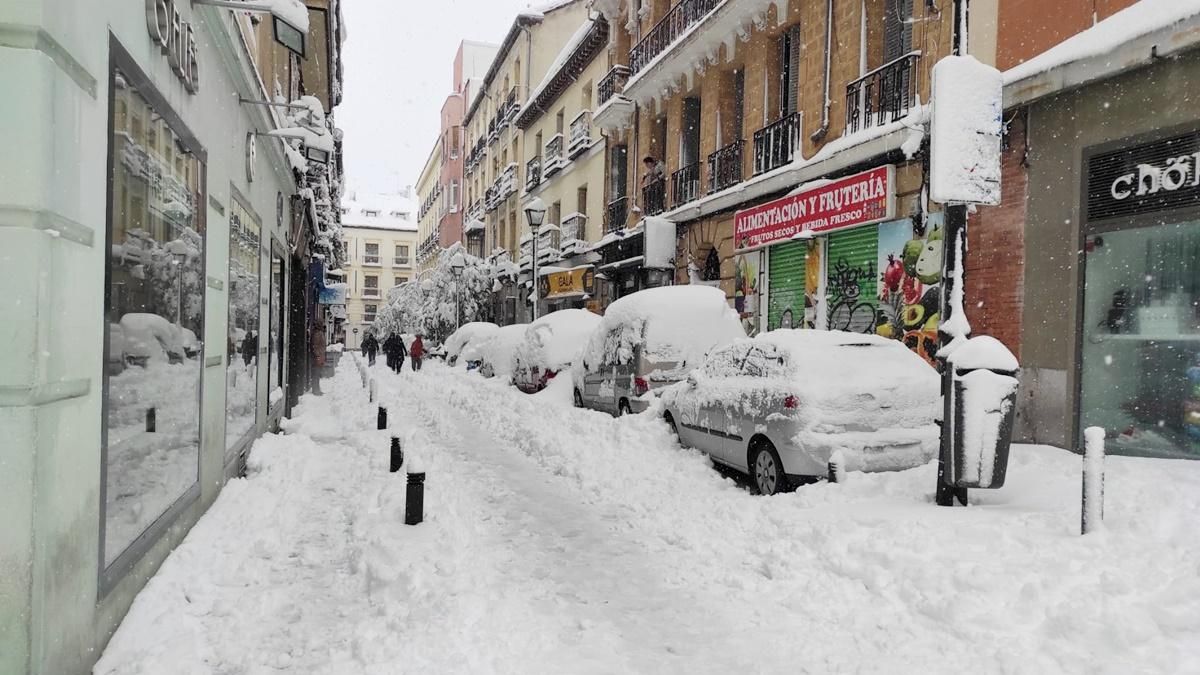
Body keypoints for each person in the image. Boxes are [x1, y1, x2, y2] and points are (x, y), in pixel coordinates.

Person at [310, 329, 326, 395]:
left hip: (319, 356)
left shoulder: (319, 333)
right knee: (316, 374)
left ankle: (317, 389)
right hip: (318, 357)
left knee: (317, 373)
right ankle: (315, 390)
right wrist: (318, 355)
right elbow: (316, 346)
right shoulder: (317, 334)